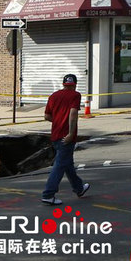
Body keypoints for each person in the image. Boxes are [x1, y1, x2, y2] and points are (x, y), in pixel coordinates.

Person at [41, 74, 90, 205]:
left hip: (55, 135)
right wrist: (70, 133)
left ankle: (79, 188)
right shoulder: (75, 95)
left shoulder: (54, 96)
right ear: (75, 84)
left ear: (63, 84)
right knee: (59, 165)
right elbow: (73, 114)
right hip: (66, 137)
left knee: (67, 164)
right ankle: (48, 194)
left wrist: (57, 121)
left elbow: (46, 116)